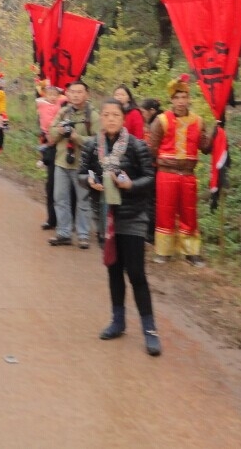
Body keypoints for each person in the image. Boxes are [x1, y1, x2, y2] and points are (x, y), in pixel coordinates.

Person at [79, 98, 160, 354]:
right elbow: (82, 173)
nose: (111, 118)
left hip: (133, 215)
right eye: (106, 114)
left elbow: (150, 178)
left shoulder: (137, 146)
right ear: (101, 118)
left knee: (136, 273)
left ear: (123, 118)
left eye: (116, 114)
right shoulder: (93, 145)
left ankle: (150, 330)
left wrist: (130, 185)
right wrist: (89, 182)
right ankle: (118, 321)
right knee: (113, 270)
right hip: (106, 216)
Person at [146, 75, 214, 266]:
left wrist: (217, 130)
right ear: (171, 100)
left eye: (184, 97)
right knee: (165, 211)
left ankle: (191, 252)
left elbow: (206, 148)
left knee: (189, 213)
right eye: (177, 98)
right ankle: (164, 251)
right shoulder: (161, 121)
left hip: (188, 174)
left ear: (189, 99)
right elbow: (151, 148)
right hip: (166, 173)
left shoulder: (198, 121)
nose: (181, 101)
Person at [46, 80, 100, 248]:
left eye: (79, 92)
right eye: (72, 92)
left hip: (82, 165)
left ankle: (83, 235)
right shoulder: (63, 112)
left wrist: (78, 138)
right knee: (60, 199)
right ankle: (64, 233)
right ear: (67, 94)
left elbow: (99, 141)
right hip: (62, 162)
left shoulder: (93, 116)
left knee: (83, 201)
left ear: (86, 94)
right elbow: (51, 135)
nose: (75, 95)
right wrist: (61, 131)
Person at [35, 81, 68, 230]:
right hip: (51, 146)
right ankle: (52, 219)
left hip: (67, 148)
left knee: (67, 190)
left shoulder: (65, 105)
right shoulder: (43, 105)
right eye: (50, 94)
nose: (53, 97)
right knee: (52, 185)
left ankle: (67, 222)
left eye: (55, 94)